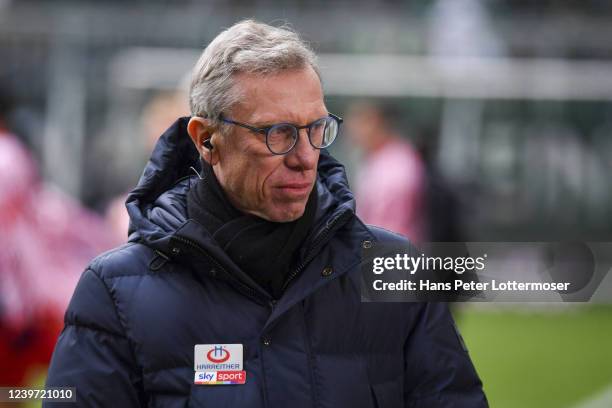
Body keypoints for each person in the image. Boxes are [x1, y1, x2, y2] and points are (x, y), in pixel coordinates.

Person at [45, 20, 487, 407]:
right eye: (277, 133)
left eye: (316, 129)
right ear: (206, 140)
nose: (304, 157)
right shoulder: (116, 294)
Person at [345, 102, 428, 243]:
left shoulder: (398, 163)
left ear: (376, 123)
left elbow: (390, 221)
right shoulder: (375, 158)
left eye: (360, 123)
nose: (353, 131)